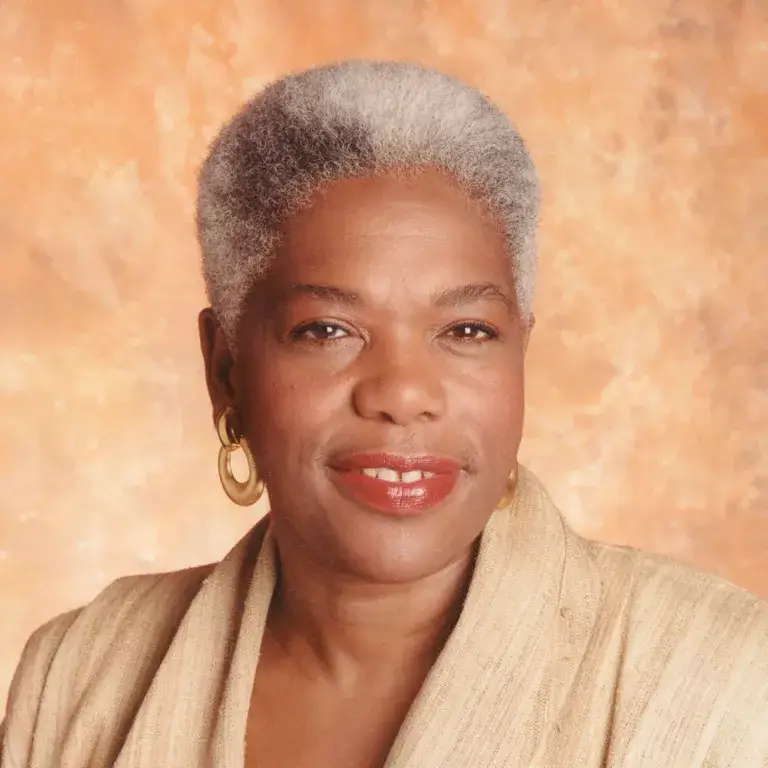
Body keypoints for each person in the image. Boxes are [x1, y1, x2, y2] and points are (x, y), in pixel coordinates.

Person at [1, 59, 766, 768]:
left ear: (520, 352)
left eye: (467, 331)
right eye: (328, 331)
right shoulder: (78, 673)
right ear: (225, 368)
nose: (403, 393)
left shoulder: (717, 676)